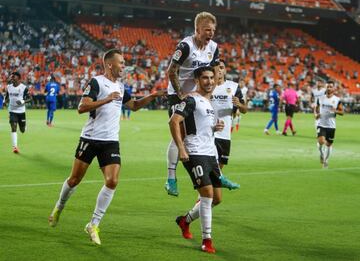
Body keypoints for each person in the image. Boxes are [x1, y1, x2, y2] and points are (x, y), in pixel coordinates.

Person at [48, 49, 165, 245]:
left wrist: (153, 95)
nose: (123, 65)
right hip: (90, 139)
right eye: (121, 62)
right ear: (110, 64)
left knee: (112, 181)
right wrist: (107, 99)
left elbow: (133, 106)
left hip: (110, 141)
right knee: (75, 179)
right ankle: (59, 206)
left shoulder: (120, 86)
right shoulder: (96, 82)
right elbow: (81, 108)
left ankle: (93, 224)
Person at [169, 66, 224, 254]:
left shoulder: (208, 103)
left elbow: (200, 127)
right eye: (205, 78)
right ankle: (207, 240)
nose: (209, 81)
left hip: (210, 153)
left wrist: (215, 128)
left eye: (212, 77)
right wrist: (181, 148)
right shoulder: (191, 99)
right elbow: (174, 121)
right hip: (194, 152)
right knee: (207, 195)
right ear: (197, 80)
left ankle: (185, 221)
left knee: (217, 198)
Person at [165, 11, 220, 196]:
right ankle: (171, 177)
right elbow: (172, 71)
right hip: (178, 95)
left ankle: (217, 174)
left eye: (213, 30)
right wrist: (180, 94)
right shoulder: (186, 46)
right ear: (197, 29)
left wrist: (208, 95)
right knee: (179, 134)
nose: (210, 33)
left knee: (207, 131)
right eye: (207, 29)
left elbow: (213, 71)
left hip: (200, 96)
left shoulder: (213, 47)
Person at [211, 60, 247, 189]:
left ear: (225, 70)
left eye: (222, 67)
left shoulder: (233, 86)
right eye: (217, 67)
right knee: (211, 170)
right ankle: (204, 201)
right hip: (209, 133)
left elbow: (245, 109)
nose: (219, 70)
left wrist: (239, 104)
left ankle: (205, 202)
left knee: (217, 171)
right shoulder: (207, 85)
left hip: (225, 135)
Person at [315, 81, 344, 168]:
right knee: (320, 141)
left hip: (331, 126)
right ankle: (321, 153)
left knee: (328, 145)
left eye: (331, 87)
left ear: (334, 89)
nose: (329, 88)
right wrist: (317, 114)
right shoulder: (320, 98)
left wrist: (336, 111)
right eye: (328, 87)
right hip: (321, 124)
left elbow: (342, 112)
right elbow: (317, 108)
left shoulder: (337, 100)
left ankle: (326, 160)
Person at [4, 71, 31, 153]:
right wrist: (5, 101)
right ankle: (15, 147)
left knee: (22, 130)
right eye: (11, 77)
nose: (12, 78)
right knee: (13, 127)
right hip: (12, 111)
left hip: (21, 111)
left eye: (14, 77)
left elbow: (30, 98)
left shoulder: (24, 88)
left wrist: (22, 102)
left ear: (19, 78)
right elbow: (7, 97)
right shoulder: (9, 87)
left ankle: (24, 126)